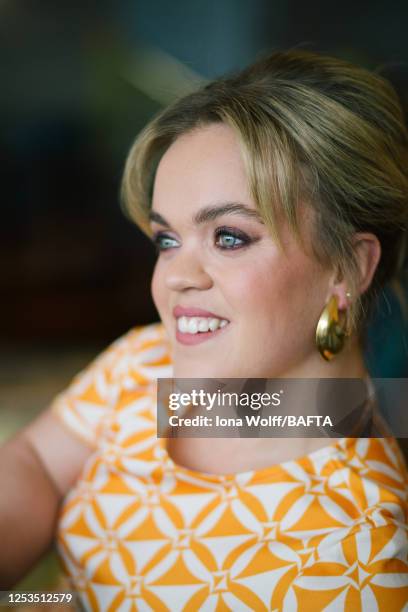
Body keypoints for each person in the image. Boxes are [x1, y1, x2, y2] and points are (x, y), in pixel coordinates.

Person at [1, 49, 407, 610]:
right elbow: (36, 465)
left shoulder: (359, 559)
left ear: (348, 268)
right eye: (167, 240)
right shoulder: (142, 363)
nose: (176, 277)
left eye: (229, 237)